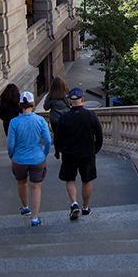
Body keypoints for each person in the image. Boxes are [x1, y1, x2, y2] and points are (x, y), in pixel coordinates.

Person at [54, 87, 103, 220]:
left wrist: (62, 150)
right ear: (82, 99)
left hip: (70, 154)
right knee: (87, 180)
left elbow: (57, 139)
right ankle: (85, 208)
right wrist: (94, 151)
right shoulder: (91, 115)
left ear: (70, 100)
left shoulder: (64, 117)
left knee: (70, 179)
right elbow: (99, 136)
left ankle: (74, 203)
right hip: (87, 153)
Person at [7, 91, 52, 227]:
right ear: (32, 104)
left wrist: (12, 155)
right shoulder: (40, 120)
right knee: (36, 187)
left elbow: (10, 144)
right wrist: (44, 154)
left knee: (21, 183)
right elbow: (48, 140)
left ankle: (25, 206)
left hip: (19, 159)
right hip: (37, 158)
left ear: (20, 104)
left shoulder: (14, 122)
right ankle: (35, 217)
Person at [43, 77, 71, 158]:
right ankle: (66, 150)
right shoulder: (67, 94)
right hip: (66, 119)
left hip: (55, 120)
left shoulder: (51, 96)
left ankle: (57, 150)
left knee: (56, 135)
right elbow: (71, 105)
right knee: (66, 135)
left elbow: (46, 107)